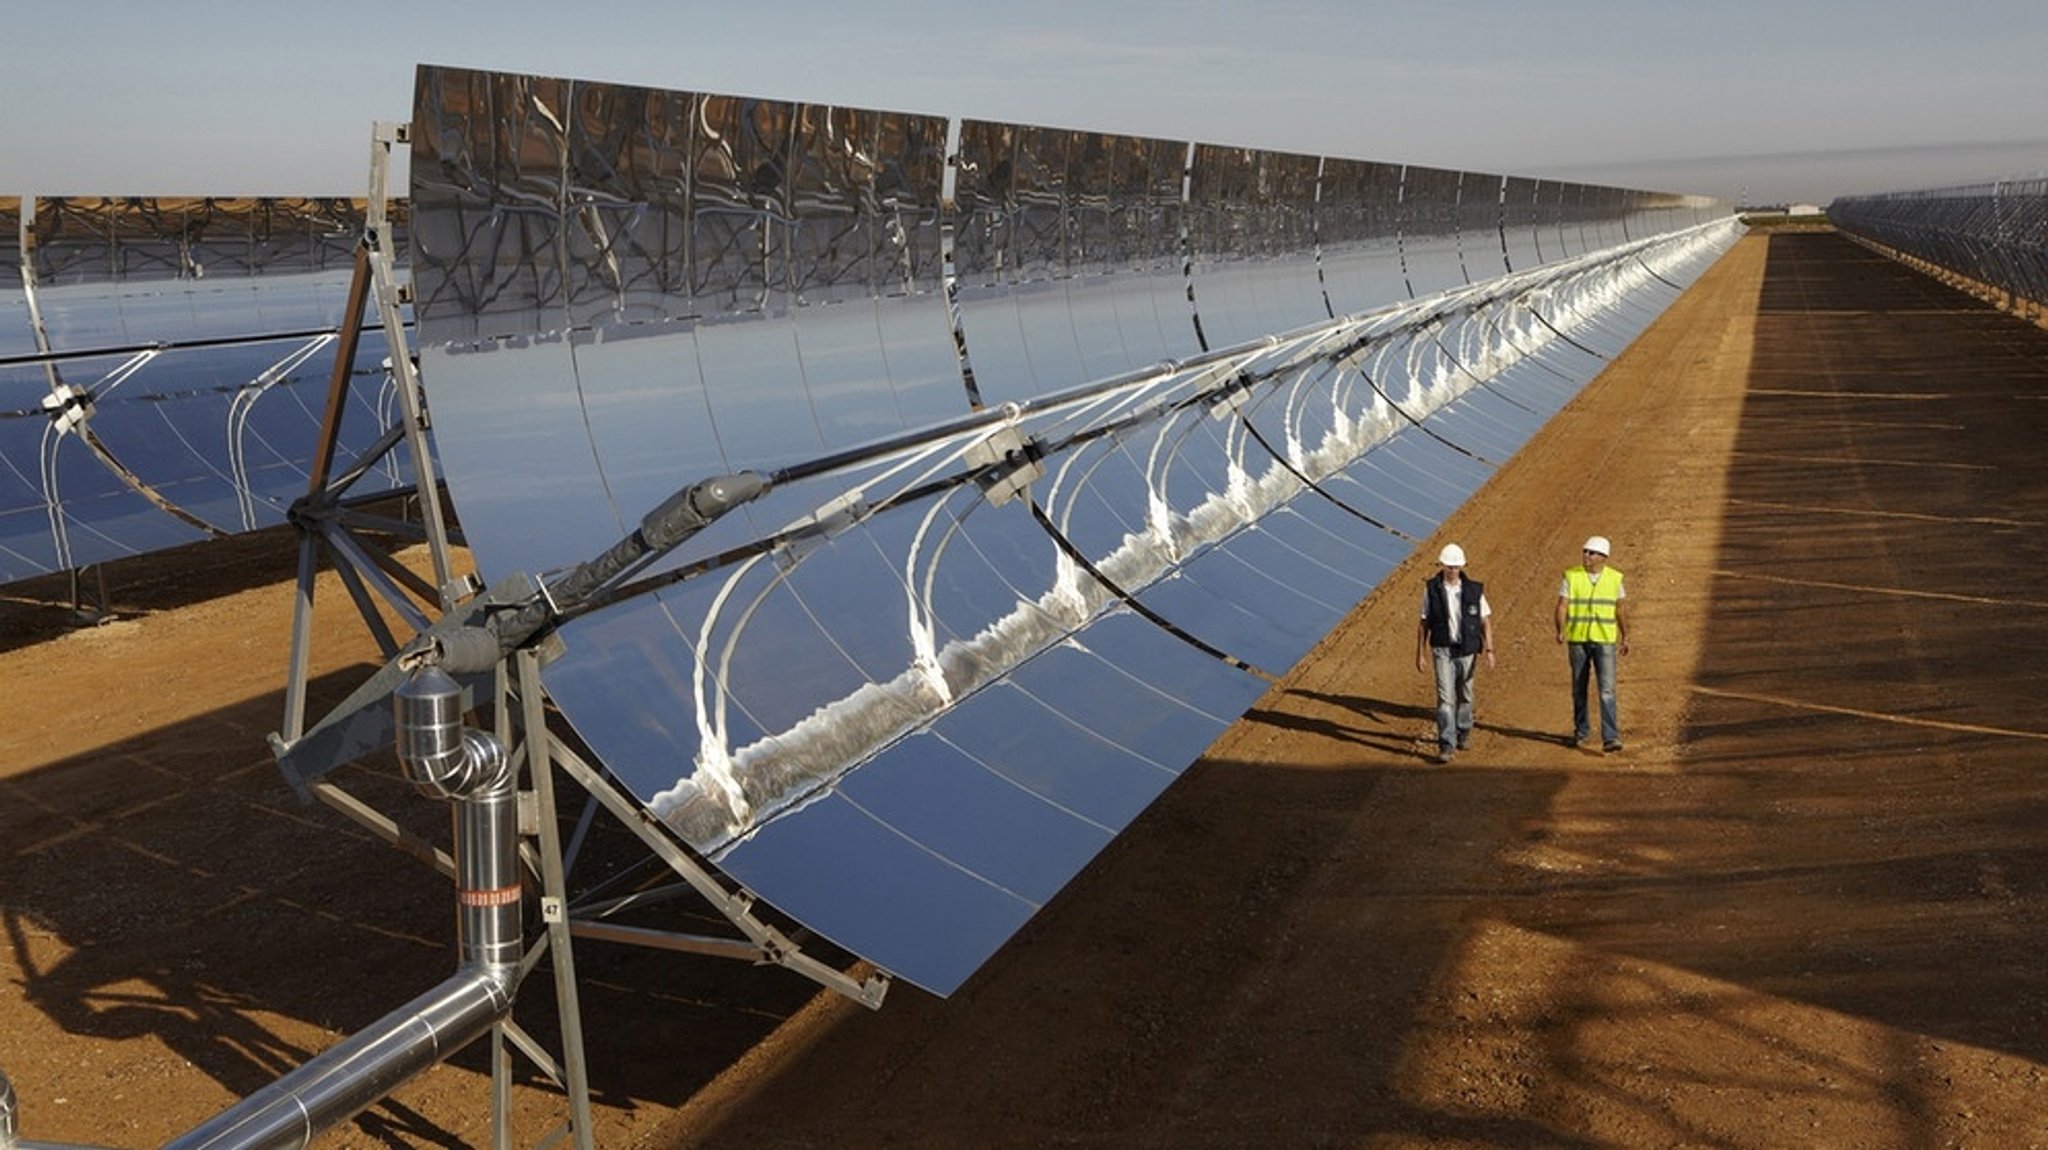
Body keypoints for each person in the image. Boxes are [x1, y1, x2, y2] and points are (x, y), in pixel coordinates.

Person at [1416, 543, 1495, 763]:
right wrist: (1420, 653)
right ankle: (1446, 744)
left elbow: (1485, 621)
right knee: (1445, 699)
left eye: (1456, 567)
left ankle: (1463, 729)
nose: (1452, 570)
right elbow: (1423, 623)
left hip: (1467, 650)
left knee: (1465, 695)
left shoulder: (1473, 590)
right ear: (1442, 566)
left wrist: (1489, 649)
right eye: (1448, 566)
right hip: (1442, 649)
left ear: (1462, 567)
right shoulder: (1431, 589)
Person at [1555, 535, 1629, 752]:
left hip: (1604, 639)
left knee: (1607, 689)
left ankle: (1610, 737)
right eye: (1585, 551)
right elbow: (1561, 606)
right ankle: (1581, 731)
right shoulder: (1571, 576)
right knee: (1579, 688)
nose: (1586, 556)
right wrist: (1560, 630)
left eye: (1592, 552)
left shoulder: (1615, 579)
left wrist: (1625, 636)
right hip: (1578, 639)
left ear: (1603, 557)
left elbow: (1621, 609)